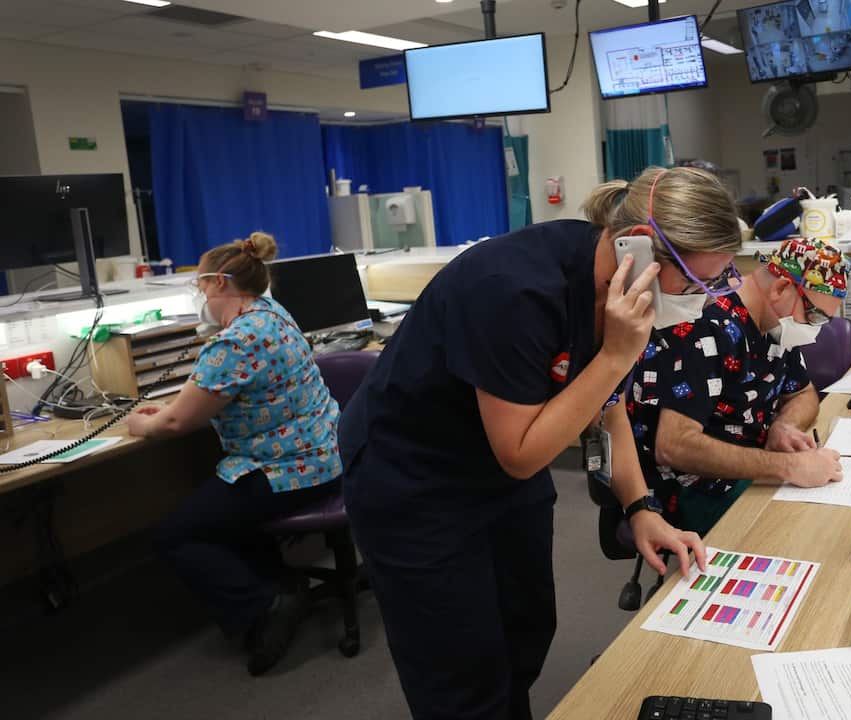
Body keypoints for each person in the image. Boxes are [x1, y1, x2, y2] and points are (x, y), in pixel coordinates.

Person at [338, 167, 743, 720]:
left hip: (504, 474)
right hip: (414, 478)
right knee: (461, 672)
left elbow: (609, 404)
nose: (706, 300)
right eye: (697, 285)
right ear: (642, 249)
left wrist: (641, 506)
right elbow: (523, 452)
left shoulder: (615, 288)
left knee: (525, 631)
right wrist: (616, 356)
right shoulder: (514, 290)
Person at [125, 231, 342, 676]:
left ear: (220, 283)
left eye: (201, 285)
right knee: (219, 502)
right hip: (326, 453)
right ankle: (281, 581)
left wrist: (142, 422)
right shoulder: (272, 313)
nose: (200, 294)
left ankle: (265, 606)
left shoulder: (234, 343)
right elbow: (231, 394)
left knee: (176, 534)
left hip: (289, 470)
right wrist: (177, 406)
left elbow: (174, 424)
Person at [627, 237, 851, 535]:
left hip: (750, 467)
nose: (814, 330)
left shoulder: (775, 324)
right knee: (803, 532)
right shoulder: (704, 323)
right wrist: (788, 467)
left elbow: (803, 393)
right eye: (814, 316)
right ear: (782, 287)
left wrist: (783, 425)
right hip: (691, 487)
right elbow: (674, 447)